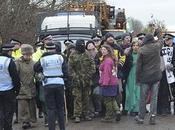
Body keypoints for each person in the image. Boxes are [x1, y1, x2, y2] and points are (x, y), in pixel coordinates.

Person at [34, 42, 68, 130]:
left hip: (48, 84)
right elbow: (66, 71)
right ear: (55, 49)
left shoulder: (43, 58)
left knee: (50, 109)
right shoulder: (60, 57)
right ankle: (62, 128)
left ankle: (52, 128)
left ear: (46, 49)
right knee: (60, 108)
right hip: (59, 83)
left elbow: (36, 68)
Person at [135, 33, 163, 125]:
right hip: (156, 77)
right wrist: (158, 31)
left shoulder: (141, 50)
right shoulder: (157, 47)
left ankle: (141, 117)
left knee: (143, 98)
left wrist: (137, 79)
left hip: (145, 78)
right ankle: (152, 117)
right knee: (154, 98)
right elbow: (161, 39)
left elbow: (138, 67)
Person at [68, 39, 95, 123]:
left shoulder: (87, 53)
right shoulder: (72, 55)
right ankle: (77, 115)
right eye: (80, 45)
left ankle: (86, 114)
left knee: (86, 98)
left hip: (86, 80)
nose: (82, 47)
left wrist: (89, 75)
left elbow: (92, 65)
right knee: (77, 98)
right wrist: (75, 77)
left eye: (83, 45)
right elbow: (70, 68)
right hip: (76, 81)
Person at [0, 44, 21, 130]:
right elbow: (15, 77)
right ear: (9, 51)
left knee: (0, 111)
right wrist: (17, 89)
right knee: (9, 111)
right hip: (8, 90)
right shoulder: (9, 61)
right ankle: (7, 128)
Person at [16, 44, 36, 129]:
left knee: (31, 105)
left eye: (30, 55)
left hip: (31, 86)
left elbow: (36, 74)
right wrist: (17, 84)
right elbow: (15, 75)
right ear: (23, 54)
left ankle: (31, 120)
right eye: (26, 55)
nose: (28, 56)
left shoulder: (33, 63)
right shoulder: (17, 63)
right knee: (23, 106)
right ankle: (25, 121)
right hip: (22, 87)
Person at [99, 44, 120, 122]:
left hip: (108, 83)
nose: (102, 51)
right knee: (112, 98)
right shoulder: (111, 59)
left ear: (108, 51)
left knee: (107, 100)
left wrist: (105, 83)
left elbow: (107, 73)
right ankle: (117, 111)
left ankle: (109, 116)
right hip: (114, 82)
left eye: (104, 49)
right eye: (102, 49)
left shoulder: (107, 60)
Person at [158, 33, 175, 115]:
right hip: (164, 72)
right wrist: (162, 69)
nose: (166, 41)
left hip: (173, 71)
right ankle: (165, 108)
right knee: (164, 90)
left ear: (171, 39)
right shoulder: (162, 48)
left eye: (168, 39)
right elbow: (160, 59)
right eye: (165, 39)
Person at [125, 39, 140, 116]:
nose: (135, 47)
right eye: (134, 45)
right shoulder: (129, 55)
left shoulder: (141, 55)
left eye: (137, 45)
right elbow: (126, 67)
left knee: (138, 92)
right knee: (130, 92)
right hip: (130, 75)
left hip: (139, 76)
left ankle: (137, 109)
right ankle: (131, 108)